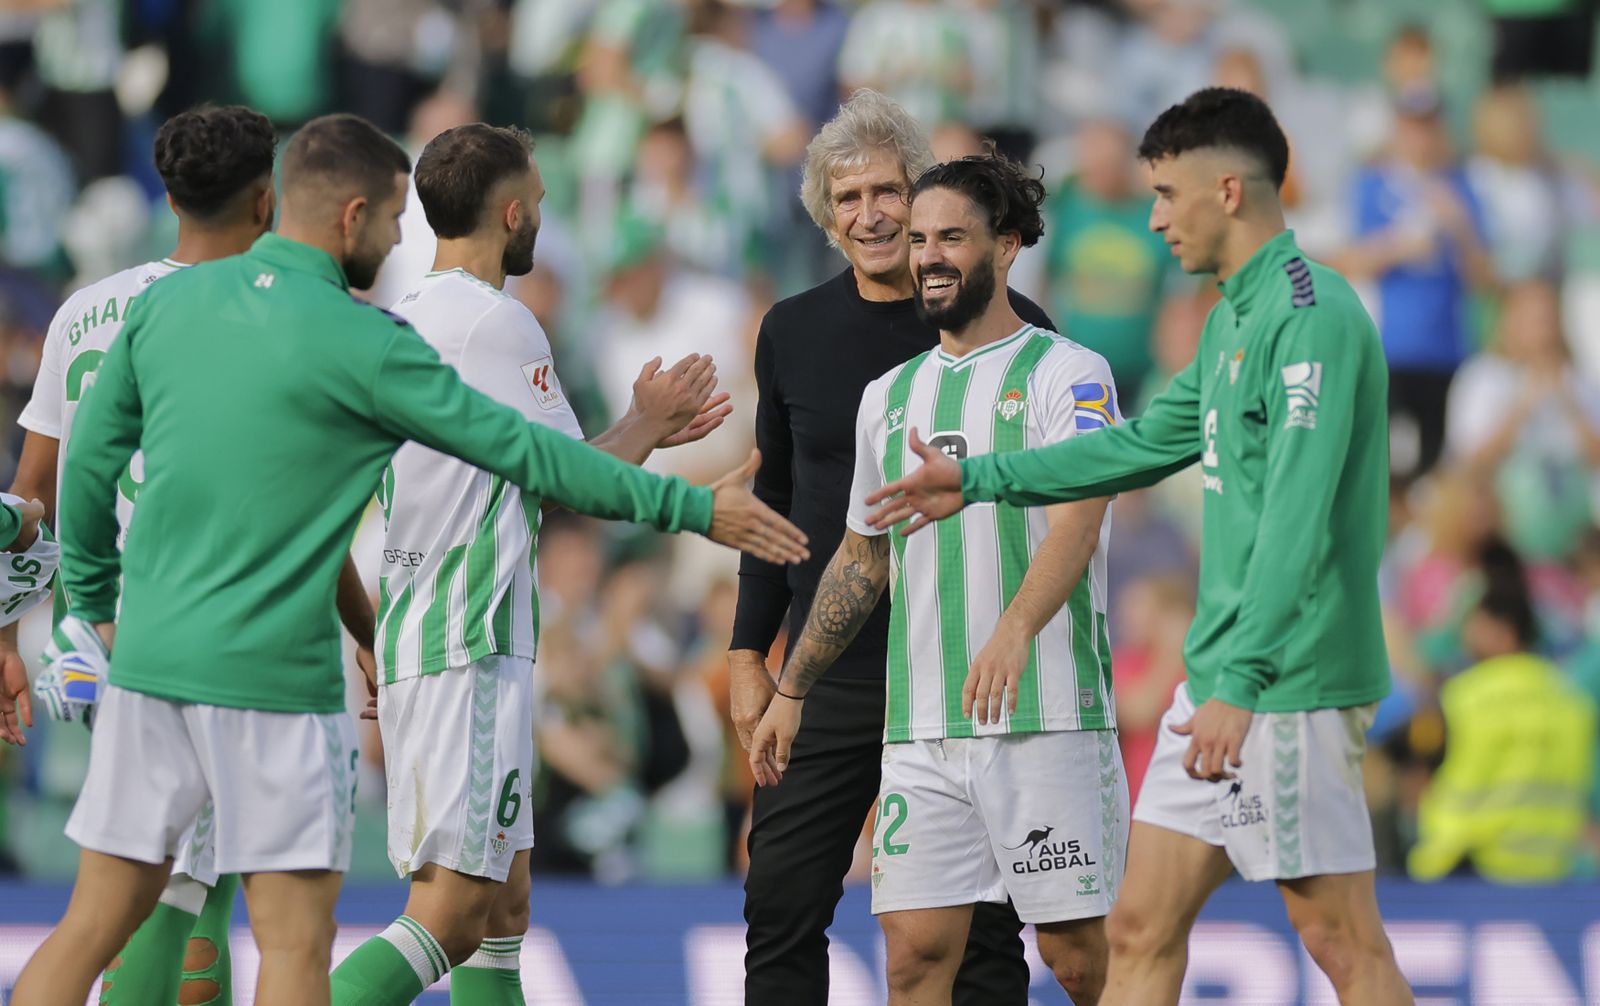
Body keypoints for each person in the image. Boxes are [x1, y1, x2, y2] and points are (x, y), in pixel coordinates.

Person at [6, 112, 806, 1006]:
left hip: (155, 660)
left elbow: (80, 480)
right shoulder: (362, 338)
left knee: (101, 921)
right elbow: (534, 462)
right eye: (391, 219)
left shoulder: (163, 311)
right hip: (280, 680)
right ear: (343, 217)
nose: (398, 238)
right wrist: (694, 504)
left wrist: (92, 605)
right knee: (301, 941)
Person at [861, 88, 1414, 1006]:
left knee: (1340, 941)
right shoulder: (1233, 316)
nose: (1152, 219)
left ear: (1227, 191)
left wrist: (1242, 683)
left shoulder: (1310, 316)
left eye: (1165, 194)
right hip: (1221, 676)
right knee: (1137, 930)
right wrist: (981, 479)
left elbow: (1299, 517)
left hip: (1288, 679)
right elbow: (1137, 446)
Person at [328, 122, 729, 1005]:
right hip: (464, 641)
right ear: (510, 214)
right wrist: (650, 426)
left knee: (503, 909)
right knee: (451, 915)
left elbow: (532, 478)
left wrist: (643, 430)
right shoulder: (496, 323)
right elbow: (575, 486)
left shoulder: (412, 318)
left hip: (437, 632)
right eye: (539, 204)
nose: (541, 218)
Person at [6, 104, 379, 1006]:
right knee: (181, 904)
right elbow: (289, 506)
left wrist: (9, 634)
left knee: (160, 890)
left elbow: (32, 497)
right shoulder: (277, 316)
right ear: (268, 198)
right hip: (223, 624)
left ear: (167, 193)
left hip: (102, 631)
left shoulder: (86, 310)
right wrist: (367, 630)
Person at [748, 151, 1128, 1005]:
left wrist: (1015, 628)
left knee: (1076, 959)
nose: (927, 256)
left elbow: (1081, 515)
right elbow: (861, 554)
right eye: (920, 240)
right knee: (916, 954)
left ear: (1010, 244)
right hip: (921, 726)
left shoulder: (1071, 373)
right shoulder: (889, 395)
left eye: (952, 237)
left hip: (1046, 713)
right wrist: (793, 685)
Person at [1408, 540, 1598, 882]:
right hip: (1551, 873)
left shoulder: (1459, 697)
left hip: (1462, 870)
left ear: (1505, 631)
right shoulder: (1573, 702)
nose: (1464, 635)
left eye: (1474, 622)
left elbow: (1420, 773)